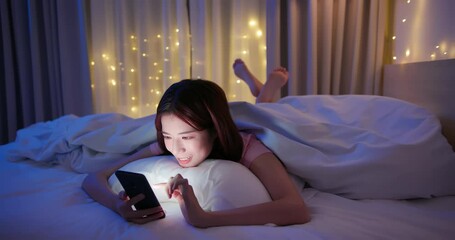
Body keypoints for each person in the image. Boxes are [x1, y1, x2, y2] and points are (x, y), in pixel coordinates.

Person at [82, 59, 310, 228]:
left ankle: (266, 91)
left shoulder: (249, 148)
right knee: (261, 107)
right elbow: (93, 178)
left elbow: (296, 209)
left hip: (265, 123)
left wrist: (206, 218)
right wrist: (116, 205)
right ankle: (261, 92)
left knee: (267, 113)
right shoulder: (167, 143)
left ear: (214, 131)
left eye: (187, 137)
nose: (176, 149)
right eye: (168, 136)